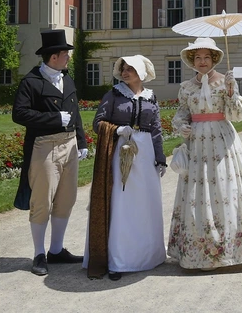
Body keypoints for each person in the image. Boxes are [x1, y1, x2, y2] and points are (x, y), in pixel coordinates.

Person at [168, 37, 242, 269]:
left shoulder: (225, 83)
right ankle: (199, 251)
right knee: (198, 193)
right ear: (192, 60)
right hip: (196, 142)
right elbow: (181, 113)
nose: (202, 61)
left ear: (215, 58)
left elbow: (237, 115)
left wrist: (231, 92)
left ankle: (230, 249)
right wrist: (181, 126)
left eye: (207, 57)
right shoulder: (186, 87)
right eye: (198, 57)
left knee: (226, 190)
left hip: (221, 141)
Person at [12, 29, 89, 277]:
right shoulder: (31, 82)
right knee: (42, 201)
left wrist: (82, 141)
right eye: (65, 53)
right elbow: (19, 114)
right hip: (43, 146)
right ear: (53, 56)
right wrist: (53, 118)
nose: (68, 57)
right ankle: (39, 253)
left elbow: (75, 114)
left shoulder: (67, 79)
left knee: (66, 199)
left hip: (69, 145)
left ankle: (56, 250)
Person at [84, 55, 166, 280]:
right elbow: (97, 123)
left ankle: (149, 256)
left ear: (141, 72)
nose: (125, 72)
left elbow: (156, 130)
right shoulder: (113, 94)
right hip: (122, 152)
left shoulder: (151, 97)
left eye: (130, 69)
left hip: (146, 154)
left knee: (145, 205)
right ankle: (118, 260)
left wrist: (160, 158)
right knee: (122, 205)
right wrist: (117, 130)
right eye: (123, 68)